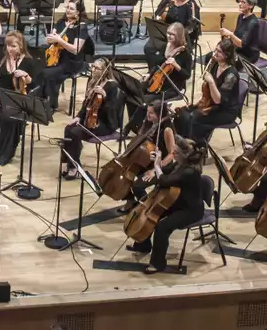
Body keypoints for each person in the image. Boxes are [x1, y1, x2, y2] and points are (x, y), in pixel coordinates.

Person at [130, 134, 206, 272]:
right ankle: (143, 245)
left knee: (162, 227)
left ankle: (158, 263)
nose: (172, 154)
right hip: (178, 202)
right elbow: (166, 171)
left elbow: (164, 180)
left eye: (175, 152)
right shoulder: (180, 164)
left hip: (190, 210)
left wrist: (157, 165)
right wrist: (156, 165)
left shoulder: (190, 172)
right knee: (152, 214)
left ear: (185, 155)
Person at [60, 59, 122, 178]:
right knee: (68, 128)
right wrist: (78, 116)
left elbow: (112, 110)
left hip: (105, 123)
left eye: (96, 68)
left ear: (104, 70)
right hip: (91, 118)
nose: (92, 70)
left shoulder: (112, 85)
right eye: (92, 67)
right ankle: (69, 161)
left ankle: (74, 166)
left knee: (74, 132)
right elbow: (87, 103)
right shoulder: (92, 81)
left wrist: (104, 97)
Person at [0, 32, 40, 166]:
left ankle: (7, 153)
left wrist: (26, 76)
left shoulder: (28, 62)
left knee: (9, 118)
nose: (10, 49)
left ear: (21, 46)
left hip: (18, 99)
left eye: (14, 46)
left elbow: (35, 85)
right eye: (8, 46)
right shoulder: (1, 59)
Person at [176, 38, 241, 147]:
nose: (215, 53)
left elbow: (219, 100)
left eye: (219, 52)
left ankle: (197, 149)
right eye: (216, 49)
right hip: (211, 105)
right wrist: (198, 104)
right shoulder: (215, 65)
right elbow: (207, 93)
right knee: (182, 113)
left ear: (227, 55)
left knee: (195, 118)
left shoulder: (231, 75)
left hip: (226, 111)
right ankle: (183, 143)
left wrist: (211, 82)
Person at [40, 0, 88, 111]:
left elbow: (76, 50)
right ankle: (41, 101)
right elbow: (51, 39)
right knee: (39, 69)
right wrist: (50, 39)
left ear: (78, 12)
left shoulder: (81, 28)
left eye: (71, 8)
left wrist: (60, 41)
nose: (68, 10)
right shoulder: (61, 22)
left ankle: (52, 105)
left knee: (48, 74)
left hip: (72, 61)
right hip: (57, 57)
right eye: (67, 7)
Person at [144, 22, 191, 103]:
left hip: (172, 87)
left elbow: (187, 75)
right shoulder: (165, 46)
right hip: (158, 81)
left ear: (178, 36)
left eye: (172, 34)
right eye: (168, 33)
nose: (168, 36)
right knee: (136, 92)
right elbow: (157, 65)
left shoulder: (185, 54)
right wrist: (149, 73)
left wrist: (176, 65)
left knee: (145, 100)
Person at [217, 0, 265, 64]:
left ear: (251, 5)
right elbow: (237, 35)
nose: (240, 4)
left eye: (243, 2)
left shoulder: (252, 23)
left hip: (248, 55)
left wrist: (230, 34)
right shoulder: (240, 16)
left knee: (223, 60)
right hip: (238, 50)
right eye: (239, 1)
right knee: (214, 56)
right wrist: (228, 38)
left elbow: (241, 44)